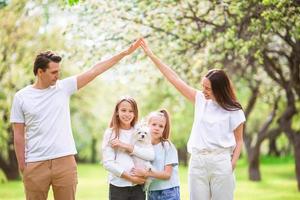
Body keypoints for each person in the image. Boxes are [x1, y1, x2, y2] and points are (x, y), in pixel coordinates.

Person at [9, 39, 142, 200]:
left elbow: (95, 70)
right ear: (39, 72)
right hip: (35, 163)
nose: (58, 76)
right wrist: (23, 166)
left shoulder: (62, 88)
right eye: (53, 72)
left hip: (65, 162)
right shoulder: (21, 97)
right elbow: (18, 134)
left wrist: (124, 53)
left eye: (59, 71)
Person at [140, 38, 246, 200]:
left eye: (208, 88)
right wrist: (151, 55)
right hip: (198, 161)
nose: (203, 90)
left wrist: (231, 165)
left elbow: (239, 141)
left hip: (221, 161)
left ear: (219, 89)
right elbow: (174, 79)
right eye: (203, 86)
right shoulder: (200, 100)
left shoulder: (234, 110)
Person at [102, 96, 155, 200]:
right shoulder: (111, 133)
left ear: (135, 113)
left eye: (131, 111)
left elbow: (151, 155)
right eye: (123, 110)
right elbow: (108, 163)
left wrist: (125, 146)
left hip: (138, 187)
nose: (127, 114)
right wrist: (131, 178)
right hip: (118, 186)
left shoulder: (139, 131)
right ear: (117, 112)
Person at [131, 109, 180, 200]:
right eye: (153, 124)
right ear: (147, 126)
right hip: (151, 192)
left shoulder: (167, 146)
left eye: (161, 126)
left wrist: (146, 173)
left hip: (168, 192)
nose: (157, 128)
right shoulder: (144, 147)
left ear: (164, 129)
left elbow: (167, 175)